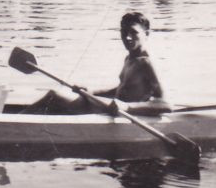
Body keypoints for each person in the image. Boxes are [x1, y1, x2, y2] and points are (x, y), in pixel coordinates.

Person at [25, 12, 170, 116]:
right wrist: (91, 92)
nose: (127, 37)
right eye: (124, 32)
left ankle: (18, 120)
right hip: (110, 106)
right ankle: (21, 120)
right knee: (56, 98)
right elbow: (122, 89)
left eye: (133, 32)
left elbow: (165, 105)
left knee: (54, 96)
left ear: (147, 34)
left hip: (121, 113)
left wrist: (128, 108)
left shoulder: (147, 63)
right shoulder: (130, 58)